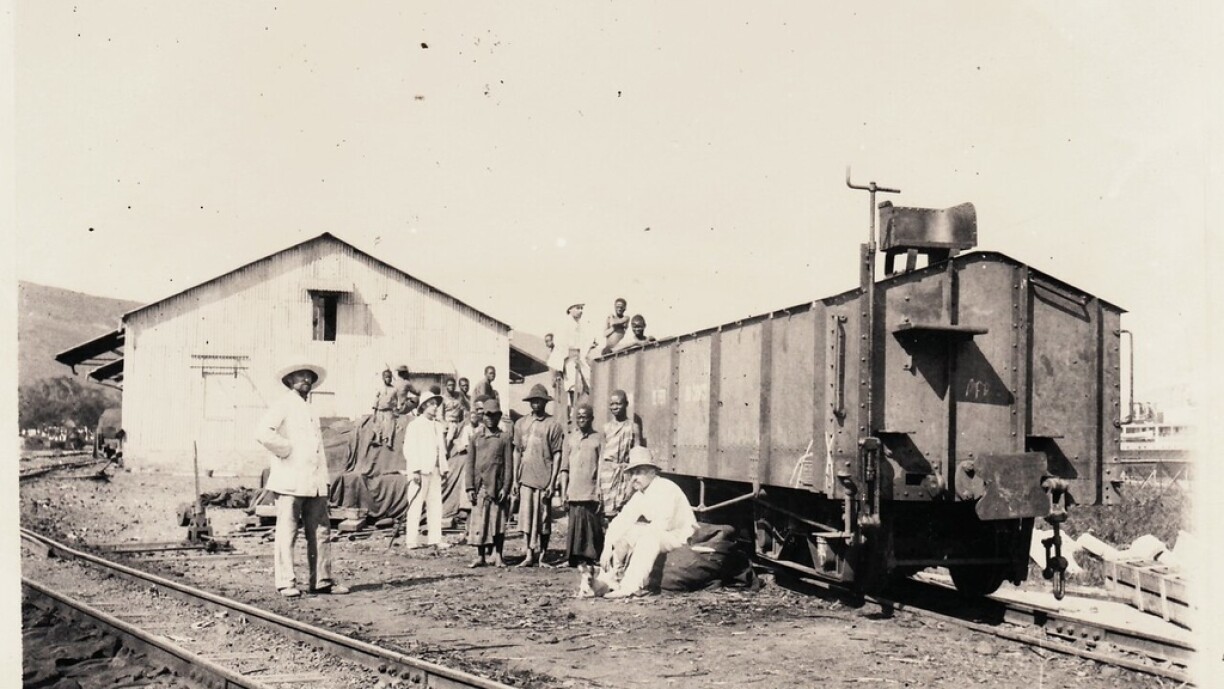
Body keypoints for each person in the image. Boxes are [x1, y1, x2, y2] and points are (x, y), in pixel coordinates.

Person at [255, 361, 349, 598]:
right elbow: (263, 433)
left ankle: (322, 581)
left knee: (320, 532)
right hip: (290, 480)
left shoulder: (310, 409)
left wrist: (324, 481)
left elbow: (318, 449)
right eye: (299, 376)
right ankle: (286, 582)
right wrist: (288, 450)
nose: (305, 380)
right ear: (289, 381)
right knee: (287, 532)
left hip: (314, 484)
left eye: (308, 377)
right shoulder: (283, 405)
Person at [600, 447, 697, 598]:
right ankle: (612, 578)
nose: (633, 478)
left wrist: (635, 540)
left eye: (638, 472)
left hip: (681, 536)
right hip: (664, 534)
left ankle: (630, 587)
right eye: (632, 473)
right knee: (628, 533)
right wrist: (607, 546)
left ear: (652, 472)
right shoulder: (641, 494)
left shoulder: (666, 488)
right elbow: (621, 521)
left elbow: (661, 525)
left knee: (647, 538)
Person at [512, 383, 564, 567]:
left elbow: (557, 454)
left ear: (545, 402)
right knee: (526, 517)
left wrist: (553, 481)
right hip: (526, 477)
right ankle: (528, 554)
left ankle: (542, 556)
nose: (536, 404)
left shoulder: (553, 425)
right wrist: (515, 479)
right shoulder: (521, 423)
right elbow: (517, 451)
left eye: (540, 401)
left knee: (543, 518)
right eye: (533, 401)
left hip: (544, 477)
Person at [401, 385, 451, 550]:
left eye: (436, 404)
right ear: (423, 406)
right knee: (415, 505)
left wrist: (443, 468)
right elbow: (409, 449)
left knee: (435, 505)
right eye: (431, 404)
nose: (435, 407)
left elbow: (441, 449)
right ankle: (411, 540)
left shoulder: (438, 426)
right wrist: (414, 470)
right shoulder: (415, 425)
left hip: (435, 470)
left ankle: (435, 539)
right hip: (420, 471)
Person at [465, 397, 513, 568]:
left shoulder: (504, 438)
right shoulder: (475, 438)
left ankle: (498, 555)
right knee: (479, 523)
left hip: (496, 486)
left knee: (497, 523)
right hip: (480, 486)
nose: (489, 418)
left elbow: (509, 465)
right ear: (481, 416)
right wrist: (470, 486)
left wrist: (506, 488)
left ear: (499, 416)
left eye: (493, 415)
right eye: (486, 414)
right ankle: (480, 556)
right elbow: (469, 464)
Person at [561, 403, 604, 567]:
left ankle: (591, 557)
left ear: (591, 418)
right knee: (575, 523)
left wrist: (599, 488)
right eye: (578, 417)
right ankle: (572, 558)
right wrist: (564, 490)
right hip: (574, 488)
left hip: (590, 488)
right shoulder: (571, 438)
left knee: (590, 524)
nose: (581, 420)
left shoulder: (598, 438)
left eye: (585, 417)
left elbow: (601, 464)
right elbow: (565, 467)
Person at [600, 389, 643, 519]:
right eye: (612, 404)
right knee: (606, 515)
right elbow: (601, 456)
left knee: (625, 513)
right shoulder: (606, 428)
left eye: (618, 404)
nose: (615, 407)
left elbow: (637, 454)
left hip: (625, 475)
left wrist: (634, 480)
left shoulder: (633, 427)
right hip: (607, 474)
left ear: (626, 404)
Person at [557, 303, 599, 407]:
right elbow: (562, 344)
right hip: (569, 357)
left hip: (580, 356)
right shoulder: (566, 324)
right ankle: (573, 409)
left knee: (588, 381)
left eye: (581, 308)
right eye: (578, 308)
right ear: (570, 309)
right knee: (573, 383)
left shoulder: (579, 324)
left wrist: (590, 344)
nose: (580, 311)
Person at [372, 368, 398, 446]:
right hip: (380, 409)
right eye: (386, 377)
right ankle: (377, 439)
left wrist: (395, 410)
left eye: (390, 377)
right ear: (383, 378)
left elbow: (395, 401)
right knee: (378, 424)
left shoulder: (394, 389)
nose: (388, 379)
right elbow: (376, 399)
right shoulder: (380, 388)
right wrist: (375, 411)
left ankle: (389, 441)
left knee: (390, 424)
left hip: (389, 410)